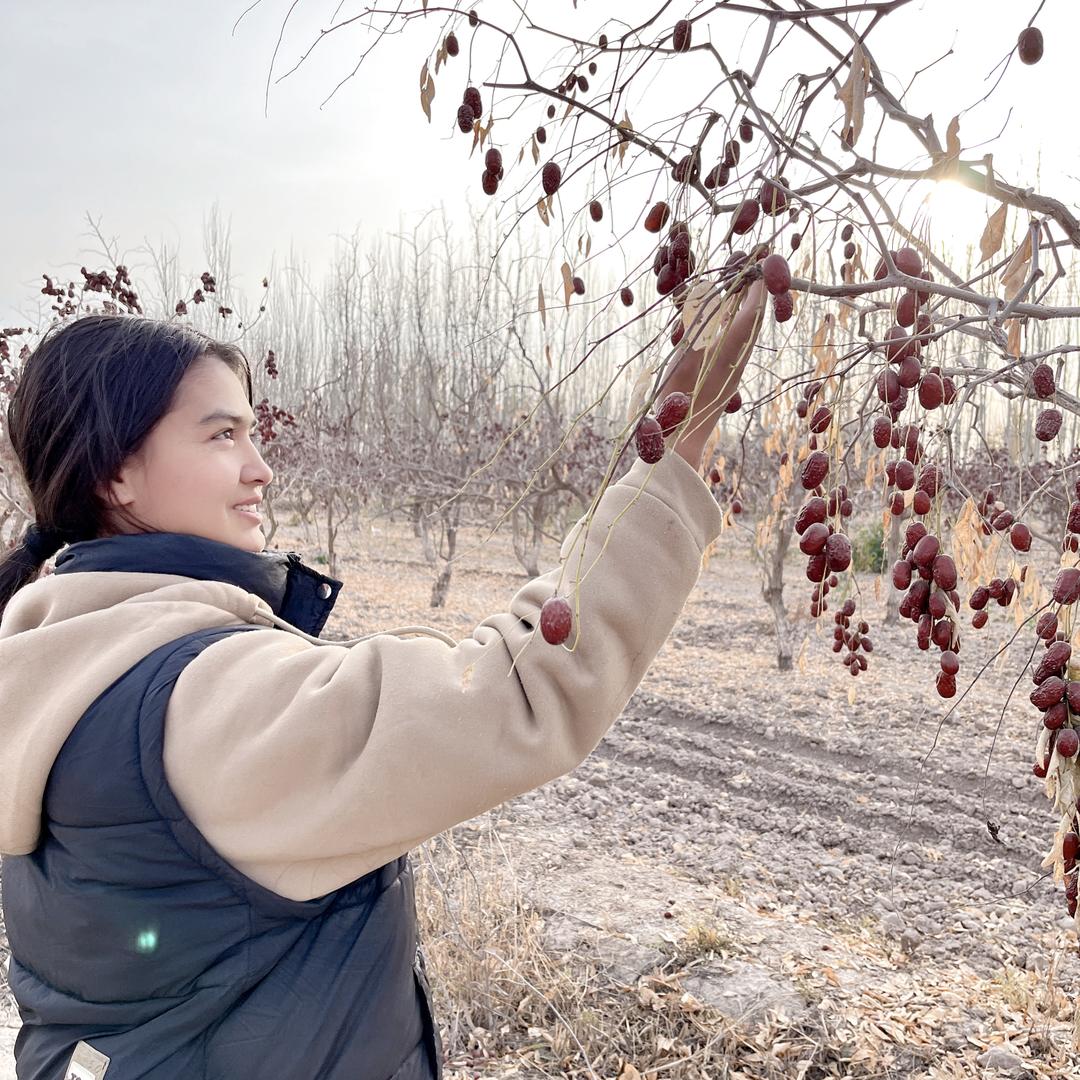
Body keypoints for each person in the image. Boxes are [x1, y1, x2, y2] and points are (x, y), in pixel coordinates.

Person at [0, 278, 765, 1079]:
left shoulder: (64, 658)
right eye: (222, 435)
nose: (261, 469)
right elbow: (514, 694)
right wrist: (679, 443)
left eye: (253, 433)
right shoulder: (201, 698)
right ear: (115, 476)